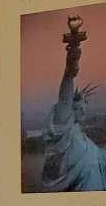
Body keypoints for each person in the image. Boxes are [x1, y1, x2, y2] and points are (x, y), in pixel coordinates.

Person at [39, 15, 106, 192]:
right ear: (69, 111)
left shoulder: (84, 139)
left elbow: (100, 159)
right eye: (79, 108)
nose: (84, 111)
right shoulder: (63, 131)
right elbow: (65, 96)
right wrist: (71, 63)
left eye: (84, 107)